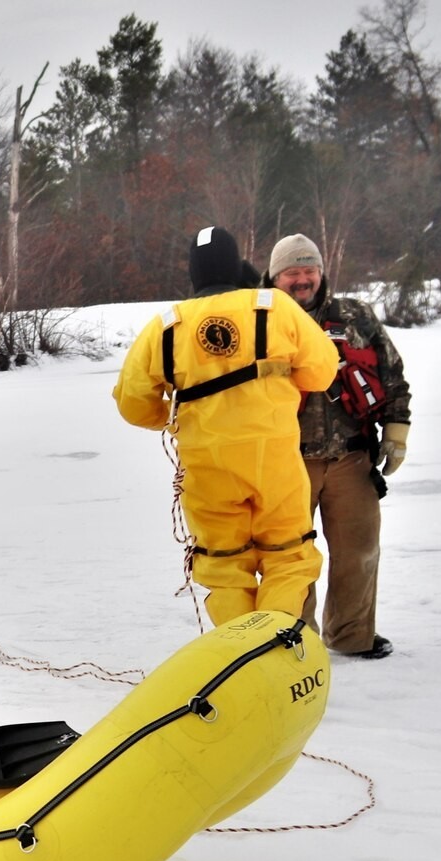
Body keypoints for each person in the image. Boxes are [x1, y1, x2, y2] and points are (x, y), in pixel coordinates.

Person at [114, 226, 340, 626]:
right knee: (288, 556)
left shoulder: (164, 327)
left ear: (192, 272)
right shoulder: (276, 307)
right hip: (274, 462)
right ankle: (275, 642)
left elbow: (134, 406)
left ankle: (238, 650)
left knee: (225, 566)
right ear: (238, 265)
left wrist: (174, 418)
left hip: (208, 468)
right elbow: (320, 375)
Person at [265, 233, 413, 659]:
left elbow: (391, 373)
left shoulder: (354, 315)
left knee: (359, 552)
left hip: (352, 455)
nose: (303, 278)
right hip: (285, 461)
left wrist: (397, 432)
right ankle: (297, 640)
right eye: (292, 271)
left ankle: (351, 635)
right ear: (276, 276)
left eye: (309, 269)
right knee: (290, 560)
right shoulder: (259, 320)